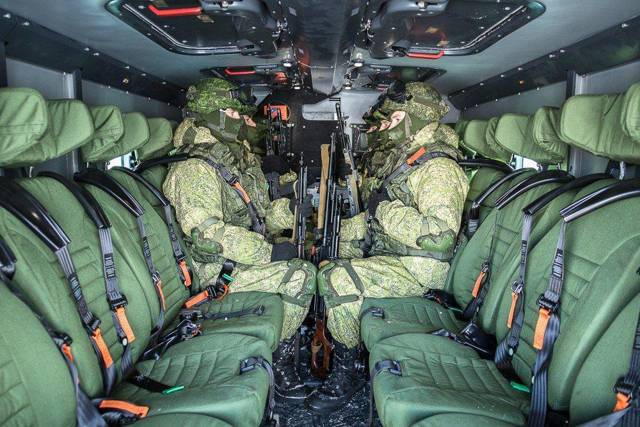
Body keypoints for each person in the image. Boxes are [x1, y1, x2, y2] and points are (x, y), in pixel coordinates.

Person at [307, 82, 469, 410]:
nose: (388, 126)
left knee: (336, 278)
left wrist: (385, 209)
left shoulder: (439, 168)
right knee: (331, 251)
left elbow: (439, 236)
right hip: (396, 255)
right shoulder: (409, 159)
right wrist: (332, 233)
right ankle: (344, 338)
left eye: (395, 119)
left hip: (420, 270)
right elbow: (374, 221)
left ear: (415, 118)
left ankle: (349, 372)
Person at [164, 78, 316, 398]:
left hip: (238, 257)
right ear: (214, 115)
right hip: (216, 272)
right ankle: (279, 360)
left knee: (304, 256)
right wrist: (268, 253)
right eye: (235, 114)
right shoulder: (194, 169)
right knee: (301, 275)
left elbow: (257, 215)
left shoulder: (228, 158)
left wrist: (289, 211)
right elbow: (208, 236)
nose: (242, 122)